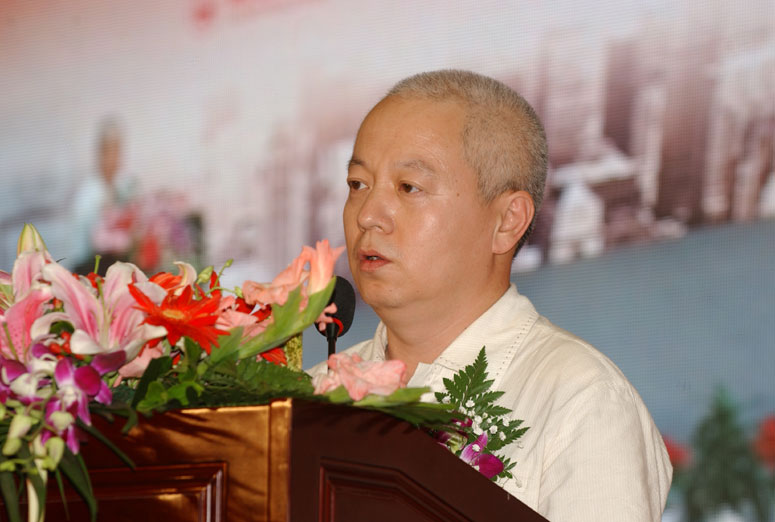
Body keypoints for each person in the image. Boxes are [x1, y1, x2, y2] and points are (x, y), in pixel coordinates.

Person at [310, 70, 672, 521]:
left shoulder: (581, 402)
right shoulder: (312, 395)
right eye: (357, 184)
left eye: (408, 187)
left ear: (507, 221)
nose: (367, 215)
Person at [70, 117, 135, 272]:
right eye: (108, 151)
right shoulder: (86, 194)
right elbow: (82, 247)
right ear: (100, 153)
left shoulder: (127, 185)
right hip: (93, 266)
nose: (113, 157)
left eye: (117, 150)